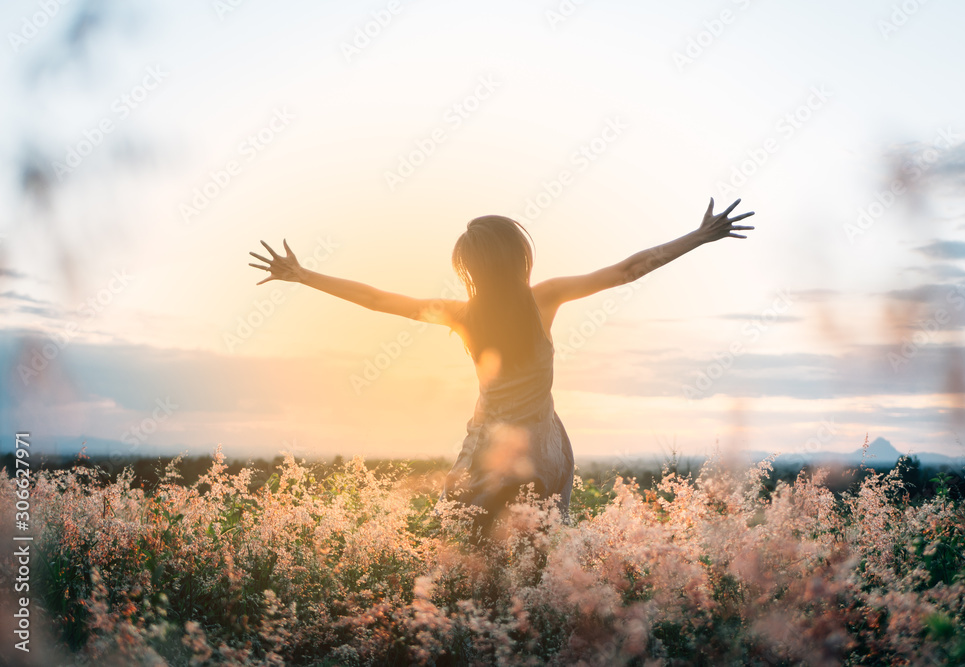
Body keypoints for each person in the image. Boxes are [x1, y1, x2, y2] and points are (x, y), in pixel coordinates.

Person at [249, 197, 754, 537]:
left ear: (468, 268)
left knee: (458, 537)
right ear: (520, 258)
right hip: (545, 447)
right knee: (536, 548)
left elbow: (378, 300)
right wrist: (698, 236)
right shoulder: (545, 298)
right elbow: (627, 270)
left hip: (493, 447)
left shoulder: (461, 314)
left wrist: (303, 275)